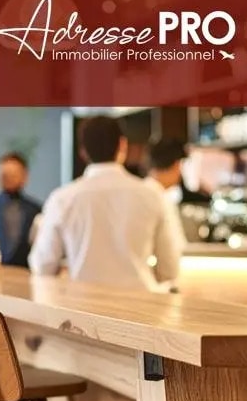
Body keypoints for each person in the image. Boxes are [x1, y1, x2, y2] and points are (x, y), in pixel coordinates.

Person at [29, 116, 180, 291]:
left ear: (83, 152)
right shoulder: (152, 195)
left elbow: (42, 266)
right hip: (139, 302)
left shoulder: (62, 199)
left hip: (83, 303)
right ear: (123, 145)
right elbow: (169, 270)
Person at [144, 139, 188, 291]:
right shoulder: (158, 198)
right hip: (154, 287)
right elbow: (171, 257)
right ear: (176, 165)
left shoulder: (145, 194)